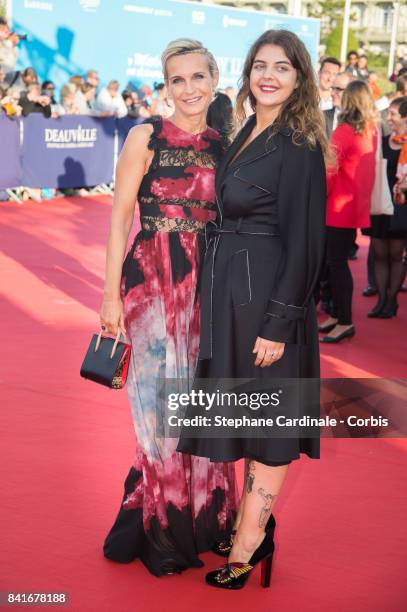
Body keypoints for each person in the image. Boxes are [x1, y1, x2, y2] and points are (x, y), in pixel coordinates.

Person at [177, 29, 328, 589]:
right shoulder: (247, 130)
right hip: (235, 298)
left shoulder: (298, 143)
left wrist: (279, 322)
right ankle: (248, 522)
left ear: (299, 79)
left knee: (270, 426)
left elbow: (306, 243)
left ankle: (249, 541)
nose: (268, 75)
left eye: (282, 68)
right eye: (260, 65)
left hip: (267, 305)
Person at [101, 38, 238, 577]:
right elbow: (118, 223)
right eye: (177, 80)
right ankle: (164, 528)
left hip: (205, 285)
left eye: (198, 77)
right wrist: (109, 295)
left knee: (200, 405)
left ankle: (205, 518)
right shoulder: (145, 137)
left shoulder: (226, 144)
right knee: (157, 413)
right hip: (151, 282)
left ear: (214, 79)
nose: (189, 89)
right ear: (166, 86)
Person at [319, 80, 378, 343]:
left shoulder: (343, 132)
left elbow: (328, 173)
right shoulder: (370, 131)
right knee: (336, 263)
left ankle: (344, 320)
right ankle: (337, 316)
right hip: (354, 206)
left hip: (336, 207)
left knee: (336, 264)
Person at [361, 96, 407, 318]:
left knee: (396, 254)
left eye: (393, 114)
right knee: (379, 252)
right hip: (380, 203)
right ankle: (380, 300)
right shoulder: (382, 140)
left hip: (401, 206)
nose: (388, 118)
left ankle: (392, 300)